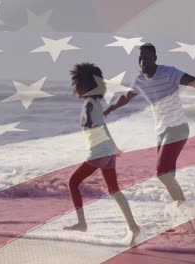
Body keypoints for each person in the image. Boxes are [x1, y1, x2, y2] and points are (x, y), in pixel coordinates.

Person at [104, 43, 195, 205]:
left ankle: (185, 209)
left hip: (177, 128)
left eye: (148, 59)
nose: (143, 63)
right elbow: (126, 97)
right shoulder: (140, 79)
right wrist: (109, 110)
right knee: (169, 175)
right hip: (161, 131)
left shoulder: (169, 72)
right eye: (141, 59)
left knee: (162, 173)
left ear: (155, 59)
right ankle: (179, 213)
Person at [64, 62, 140, 245]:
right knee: (114, 190)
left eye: (77, 84)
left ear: (84, 85)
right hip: (107, 152)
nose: (75, 87)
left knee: (72, 183)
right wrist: (114, 147)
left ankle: (82, 223)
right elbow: (103, 125)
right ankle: (133, 227)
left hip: (99, 151)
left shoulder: (90, 104)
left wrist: (91, 124)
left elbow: (97, 124)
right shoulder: (95, 103)